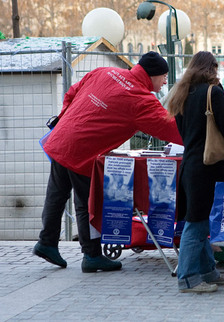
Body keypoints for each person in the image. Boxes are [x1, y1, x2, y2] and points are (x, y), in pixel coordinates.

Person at [33, 51, 183, 273]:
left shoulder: (104, 72)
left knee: (57, 193)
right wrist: (198, 137)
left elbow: (71, 93)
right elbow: (169, 128)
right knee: (87, 203)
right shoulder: (141, 99)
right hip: (85, 152)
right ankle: (92, 255)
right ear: (151, 76)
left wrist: (65, 120)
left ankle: (46, 242)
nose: (165, 82)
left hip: (62, 138)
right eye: (163, 76)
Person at [167, 51, 224, 294]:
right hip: (208, 169)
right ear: (211, 68)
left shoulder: (181, 93)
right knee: (197, 224)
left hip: (190, 166)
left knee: (202, 222)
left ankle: (208, 271)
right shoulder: (213, 92)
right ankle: (187, 278)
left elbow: (184, 134)